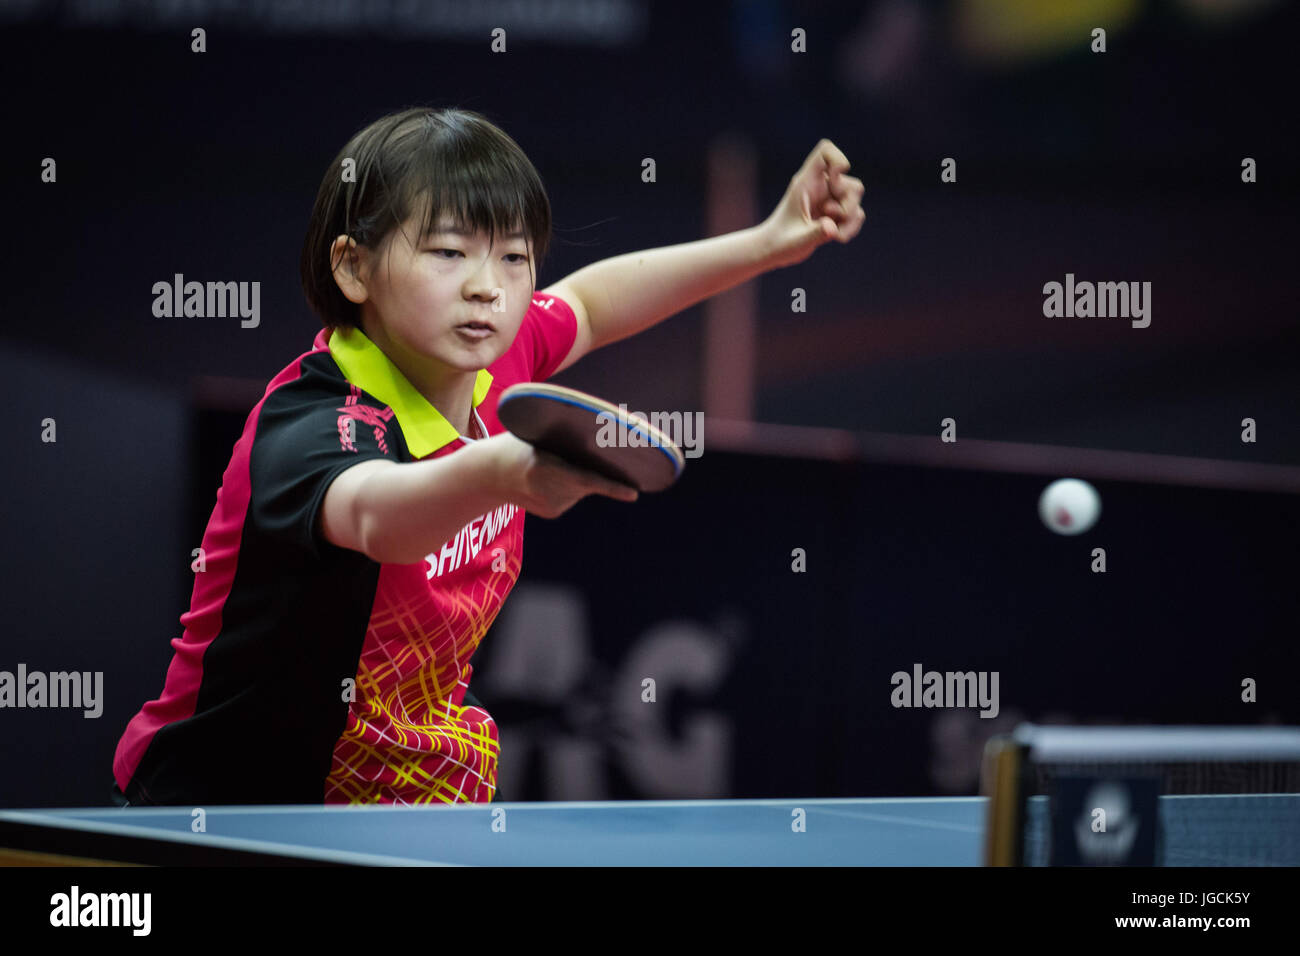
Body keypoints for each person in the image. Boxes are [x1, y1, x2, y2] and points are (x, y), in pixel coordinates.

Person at [111, 106, 865, 807]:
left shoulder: (491, 367)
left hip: (404, 812)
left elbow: (594, 304)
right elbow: (378, 516)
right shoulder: (311, 424)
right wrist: (504, 467)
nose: (488, 289)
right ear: (353, 267)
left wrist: (769, 243)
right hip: (224, 816)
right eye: (448, 252)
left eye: (513, 257)